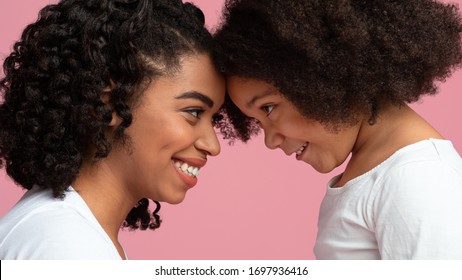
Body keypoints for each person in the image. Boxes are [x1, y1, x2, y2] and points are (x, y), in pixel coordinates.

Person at [213, 0, 462, 259]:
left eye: (268, 108)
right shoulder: (381, 176)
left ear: (323, 73)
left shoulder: (419, 180)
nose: (270, 141)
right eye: (257, 122)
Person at [0, 0, 225, 259]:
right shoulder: (66, 245)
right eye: (194, 112)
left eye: (214, 119)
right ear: (109, 103)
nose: (213, 144)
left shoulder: (69, 235)